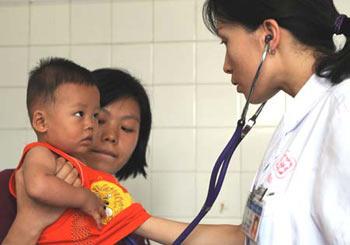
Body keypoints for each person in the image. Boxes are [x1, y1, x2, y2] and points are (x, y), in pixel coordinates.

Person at [2, 68, 242, 245]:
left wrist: (258, 229)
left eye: (126, 128)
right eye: (98, 119)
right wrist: (31, 220)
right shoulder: (9, 187)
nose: (109, 135)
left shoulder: (114, 205)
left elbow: (186, 235)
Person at [201, 0, 350, 244]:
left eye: (226, 41)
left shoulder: (343, 111)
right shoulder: (296, 125)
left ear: (269, 36)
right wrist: (136, 220)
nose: (226, 66)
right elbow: (247, 237)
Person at [5, 59, 150, 244]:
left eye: (127, 127)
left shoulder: (124, 212)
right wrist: (30, 222)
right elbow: (38, 186)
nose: (92, 126)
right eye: (80, 115)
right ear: (41, 122)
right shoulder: (15, 184)